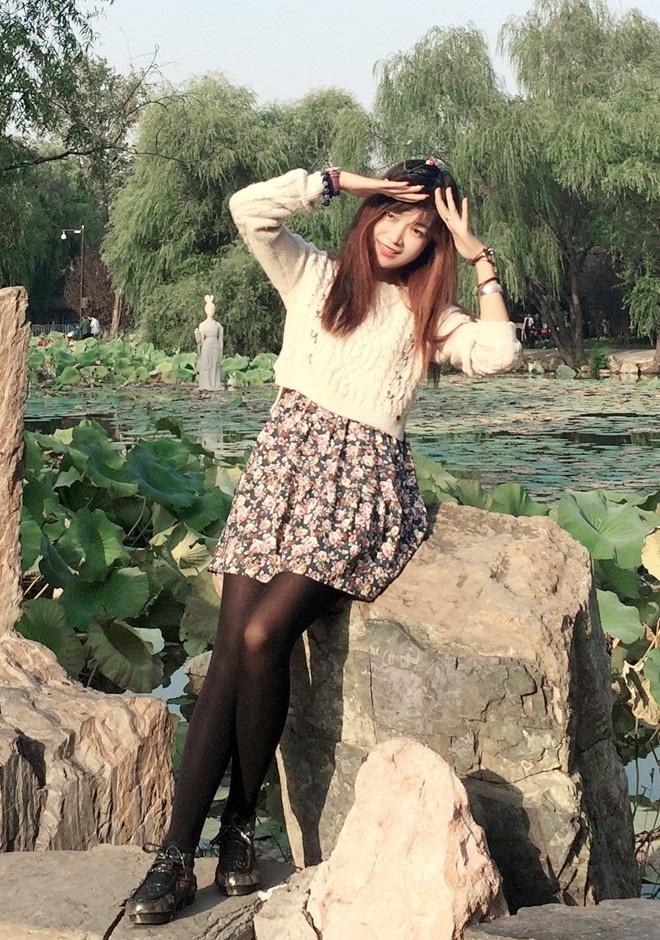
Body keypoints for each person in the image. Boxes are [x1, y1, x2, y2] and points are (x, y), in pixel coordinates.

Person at [124, 158, 519, 925]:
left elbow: (500, 351)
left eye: (420, 229)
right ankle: (179, 854)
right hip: (281, 470)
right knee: (231, 651)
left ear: (433, 245)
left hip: (360, 490)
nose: (400, 236)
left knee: (263, 633)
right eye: (393, 215)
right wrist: (349, 181)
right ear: (370, 213)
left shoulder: (427, 315)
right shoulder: (313, 276)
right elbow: (249, 208)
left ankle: (238, 825)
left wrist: (481, 261)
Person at [195, 294, 223, 391]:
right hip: (207, 346)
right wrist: (198, 340)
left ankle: (215, 384)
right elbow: (201, 340)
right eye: (210, 310)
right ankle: (206, 385)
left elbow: (221, 340)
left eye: (213, 310)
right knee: (207, 365)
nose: (212, 312)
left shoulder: (218, 325)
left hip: (215, 345)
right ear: (206, 311)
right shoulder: (202, 325)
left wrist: (221, 351)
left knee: (215, 365)